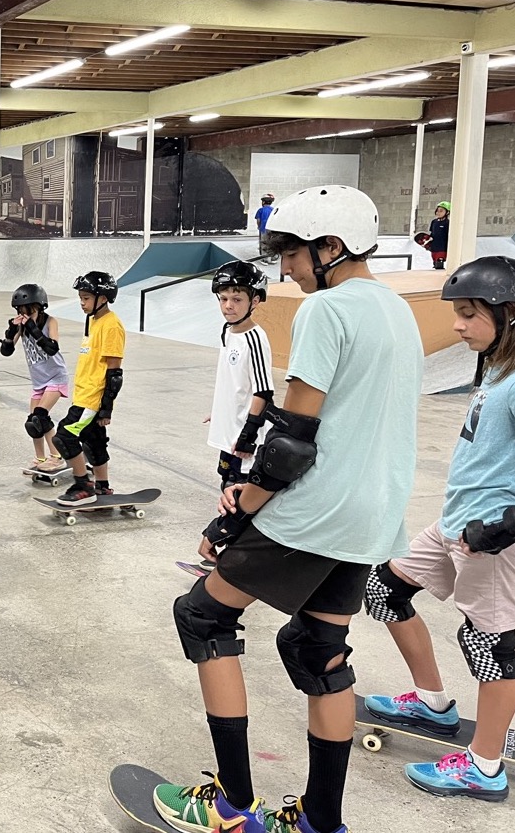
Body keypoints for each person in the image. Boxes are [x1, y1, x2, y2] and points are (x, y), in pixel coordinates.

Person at [157, 185, 423, 833]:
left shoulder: (325, 310)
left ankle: (230, 805)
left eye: (292, 253)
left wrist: (238, 510)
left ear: (331, 247)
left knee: (201, 616)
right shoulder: (397, 310)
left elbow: (293, 439)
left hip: (316, 512)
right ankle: (319, 822)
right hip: (372, 514)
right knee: (318, 649)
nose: (285, 269)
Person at [362, 255, 515, 803]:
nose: (457, 325)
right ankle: (432, 703)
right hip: (455, 521)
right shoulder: (495, 367)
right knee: (383, 589)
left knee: (493, 645)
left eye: (470, 314)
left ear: (508, 313)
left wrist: (502, 530)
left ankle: (485, 765)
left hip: (490, 536)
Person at [50, 271, 125, 505]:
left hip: (92, 398)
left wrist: (106, 408)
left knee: (64, 436)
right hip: (83, 394)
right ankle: (102, 486)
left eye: (86, 298)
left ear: (102, 298)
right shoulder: (93, 320)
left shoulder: (111, 326)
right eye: (80, 298)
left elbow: (114, 373)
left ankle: (84, 484)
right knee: (94, 441)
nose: (82, 303)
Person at [205, 261, 273, 490]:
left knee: (238, 488)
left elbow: (263, 392)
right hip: (229, 431)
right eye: (223, 299)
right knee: (225, 480)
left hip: (244, 435)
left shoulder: (254, 339)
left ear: (255, 301)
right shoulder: (228, 332)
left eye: (237, 299)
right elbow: (234, 382)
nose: (228, 306)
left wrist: (249, 433)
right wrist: (221, 411)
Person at [0, 283, 69, 474]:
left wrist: (33, 329)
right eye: (20, 310)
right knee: (33, 424)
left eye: (27, 309)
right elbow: (6, 351)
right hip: (38, 382)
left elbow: (52, 348)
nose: (23, 314)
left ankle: (57, 458)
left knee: (40, 417)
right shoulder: (22, 326)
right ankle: (40, 459)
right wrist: (11, 332)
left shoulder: (50, 322)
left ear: (38, 307)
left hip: (56, 377)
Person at [428, 201, 451, 270]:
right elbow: (432, 233)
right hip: (434, 247)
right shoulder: (434, 222)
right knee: (435, 263)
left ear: (447, 212)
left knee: (439, 263)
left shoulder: (448, 223)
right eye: (437, 211)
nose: (438, 212)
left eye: (441, 211)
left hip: (442, 248)